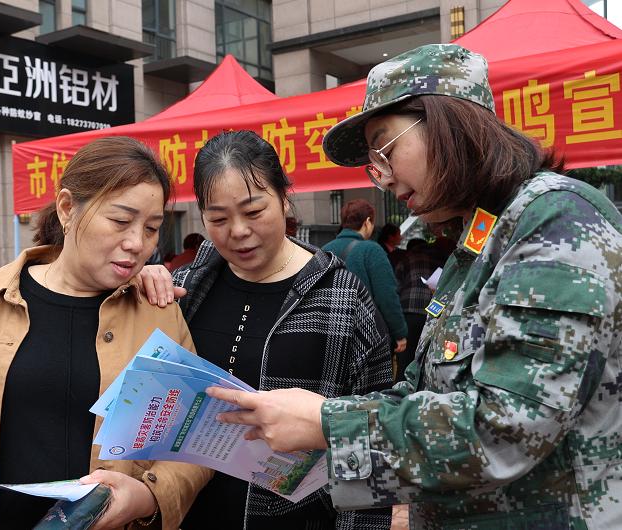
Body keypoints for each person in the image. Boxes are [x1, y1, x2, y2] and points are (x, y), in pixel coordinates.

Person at [202, 44, 622, 529]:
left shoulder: (555, 221)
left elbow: (508, 426)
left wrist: (327, 423)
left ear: (448, 122)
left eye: (385, 149)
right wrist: (323, 417)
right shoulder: (485, 237)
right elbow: (431, 392)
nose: (381, 178)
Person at [0, 137, 212, 529]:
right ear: (67, 209)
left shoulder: (158, 316)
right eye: (121, 221)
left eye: (152, 228)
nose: (136, 243)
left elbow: (195, 438)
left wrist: (147, 496)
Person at [138, 130, 393, 530]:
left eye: (254, 211)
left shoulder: (344, 301)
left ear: (284, 198)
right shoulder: (184, 291)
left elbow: (369, 448)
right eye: (218, 219)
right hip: (187, 513)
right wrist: (136, 288)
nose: (237, 231)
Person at [322, 200, 407, 356]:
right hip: (367, 339)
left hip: (332, 336)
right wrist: (399, 332)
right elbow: (386, 295)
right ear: (367, 221)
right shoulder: (372, 250)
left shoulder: (324, 250)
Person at [392, 238, 444, 378]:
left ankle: (401, 390)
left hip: (409, 311)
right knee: (427, 356)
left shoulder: (406, 258)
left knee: (406, 358)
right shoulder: (439, 258)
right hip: (432, 313)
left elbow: (395, 286)